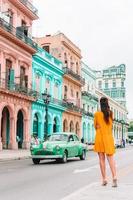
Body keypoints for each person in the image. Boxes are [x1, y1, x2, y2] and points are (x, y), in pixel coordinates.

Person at [94, 97, 117, 187]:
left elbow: (95, 126)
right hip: (108, 138)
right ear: (107, 104)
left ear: (100, 104)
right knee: (111, 159)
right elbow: (111, 125)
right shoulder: (110, 113)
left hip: (100, 137)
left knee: (101, 159)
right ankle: (114, 176)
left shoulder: (97, 114)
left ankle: (104, 179)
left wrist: (100, 127)